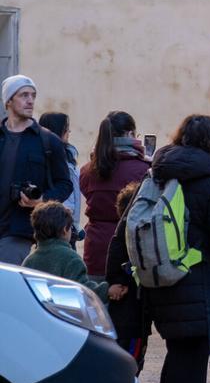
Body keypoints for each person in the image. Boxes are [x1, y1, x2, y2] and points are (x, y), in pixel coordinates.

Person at [110, 115, 210, 383]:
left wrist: (118, 275)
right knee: (191, 360)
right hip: (195, 281)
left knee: (176, 355)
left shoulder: (156, 174)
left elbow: (124, 229)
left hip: (157, 281)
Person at [0, 75, 71, 264]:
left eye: (33, 95)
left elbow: (65, 184)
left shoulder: (48, 141)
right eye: (24, 95)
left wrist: (41, 200)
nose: (30, 100)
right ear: (8, 100)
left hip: (19, 232)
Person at [80, 112, 150, 278]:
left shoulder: (87, 171)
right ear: (130, 134)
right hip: (129, 251)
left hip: (95, 252)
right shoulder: (143, 170)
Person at [23, 200, 108, 301]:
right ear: (64, 230)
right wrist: (107, 290)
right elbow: (84, 290)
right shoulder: (71, 259)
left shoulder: (29, 261)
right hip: (64, 314)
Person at [105, 181, 149, 372]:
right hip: (133, 312)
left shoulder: (117, 235)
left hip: (122, 310)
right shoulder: (134, 236)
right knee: (132, 358)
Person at [37, 113, 83, 246]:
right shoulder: (50, 158)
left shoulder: (68, 155)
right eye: (66, 128)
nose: (69, 132)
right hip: (58, 226)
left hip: (69, 226)